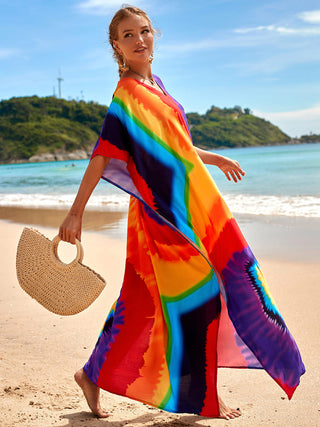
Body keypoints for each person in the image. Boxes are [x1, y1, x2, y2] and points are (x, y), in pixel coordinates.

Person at [59, 5, 304, 421]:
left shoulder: (157, 84)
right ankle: (202, 394)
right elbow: (104, 154)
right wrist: (75, 212)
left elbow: (176, 146)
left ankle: (92, 374)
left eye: (145, 31)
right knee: (201, 294)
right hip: (161, 214)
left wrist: (212, 159)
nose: (140, 40)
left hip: (188, 206)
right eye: (129, 35)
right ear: (116, 47)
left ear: (154, 36)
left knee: (143, 300)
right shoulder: (127, 93)